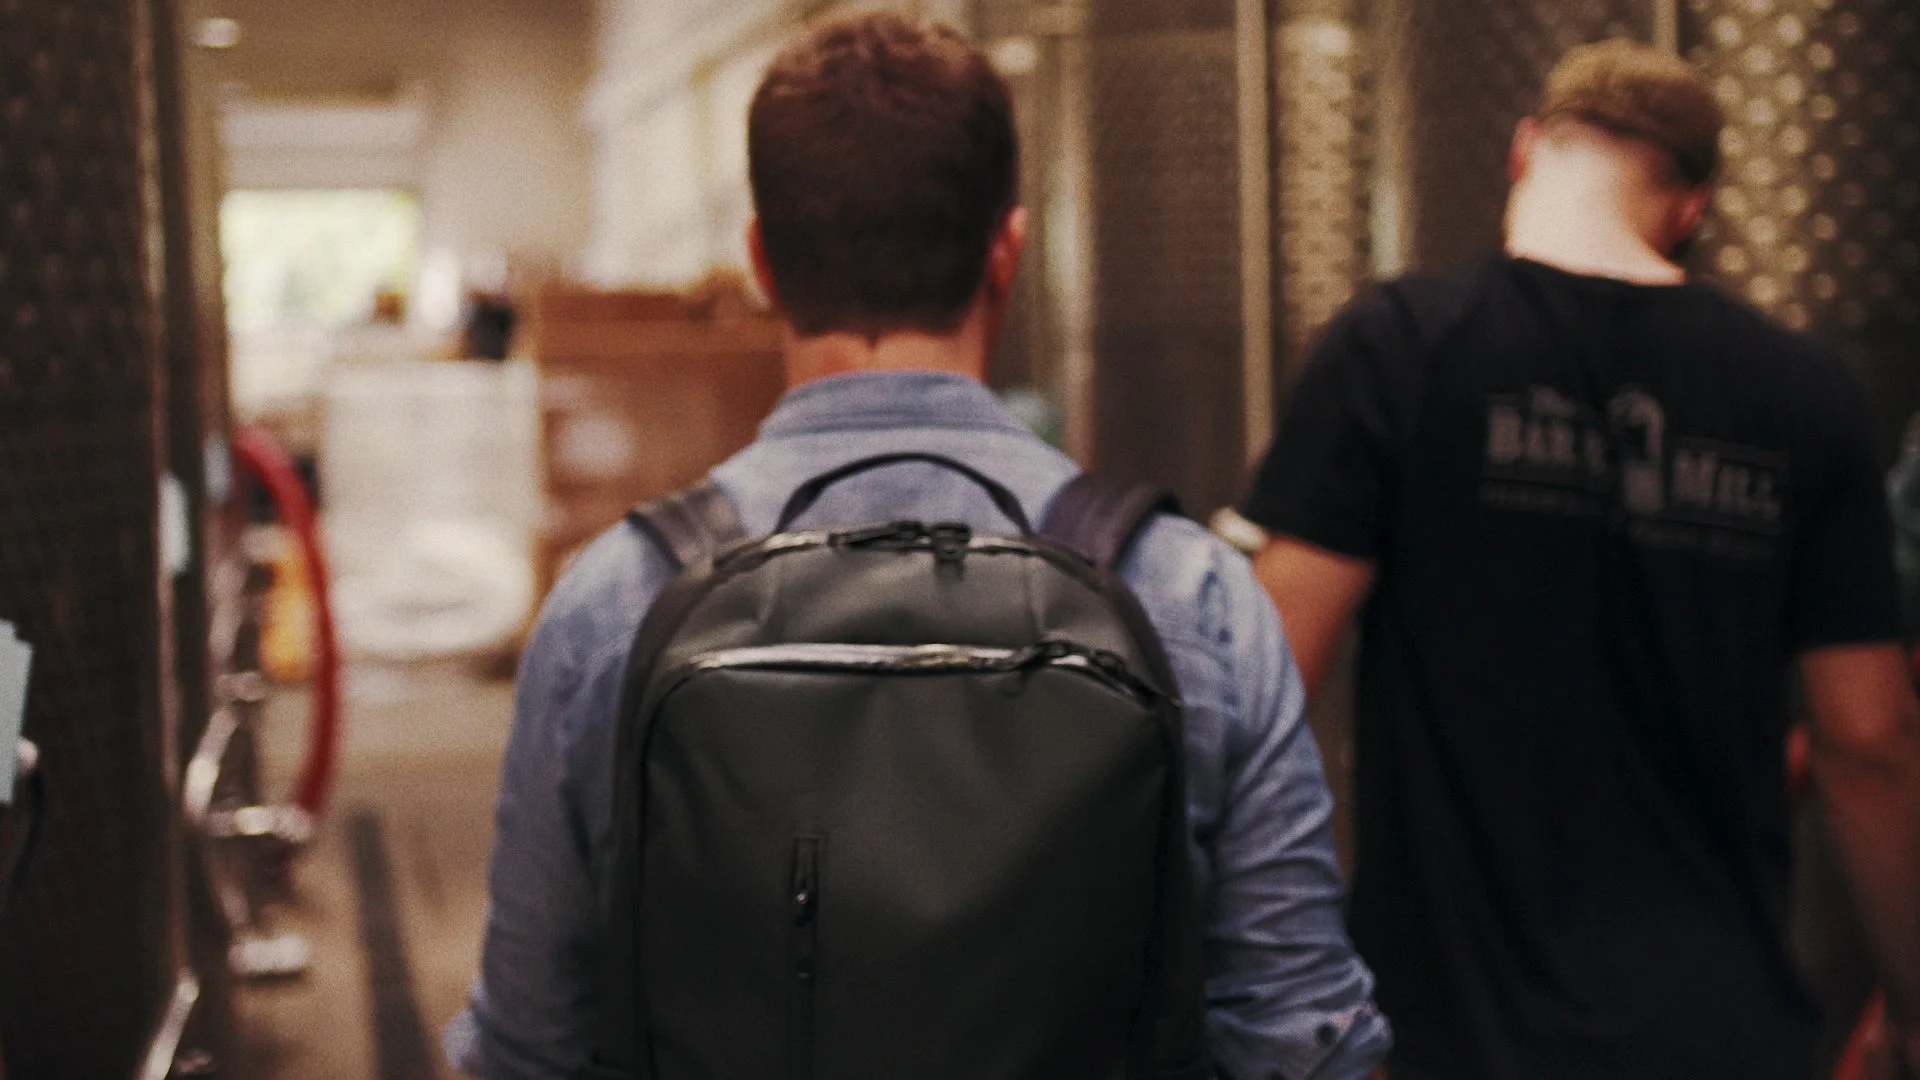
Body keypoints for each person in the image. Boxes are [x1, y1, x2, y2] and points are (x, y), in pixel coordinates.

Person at [446, 13, 1389, 1079]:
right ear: (1009, 250)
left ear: (760, 259)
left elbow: (527, 1046)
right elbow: (1301, 1038)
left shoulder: (617, 600)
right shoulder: (1190, 593)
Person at [1240, 37, 1920, 1080]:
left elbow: (1267, 680)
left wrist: (1277, 993)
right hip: (1718, 1032)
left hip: (1448, 1028)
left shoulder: (1397, 348)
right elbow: (1869, 738)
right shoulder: (1806, 394)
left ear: (1525, 151)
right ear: (1693, 203)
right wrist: (1911, 1000)